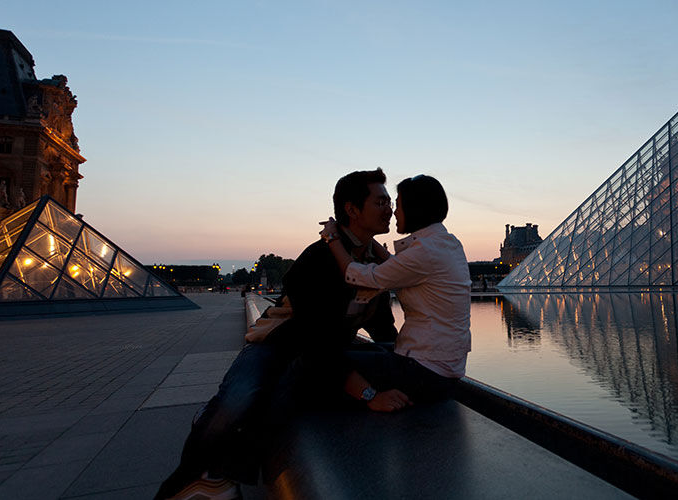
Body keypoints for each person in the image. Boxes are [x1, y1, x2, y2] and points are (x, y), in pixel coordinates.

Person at [155, 169, 398, 500]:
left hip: (315, 352)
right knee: (239, 398)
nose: (390, 208)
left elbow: (382, 328)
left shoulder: (371, 262)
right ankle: (182, 483)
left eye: (391, 201)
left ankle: (215, 461)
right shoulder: (317, 258)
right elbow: (315, 340)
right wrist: (369, 394)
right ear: (352, 210)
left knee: (250, 402)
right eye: (381, 201)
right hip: (277, 345)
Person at [318, 174, 471, 413]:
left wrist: (331, 237)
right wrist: (370, 244)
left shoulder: (425, 251)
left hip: (423, 372)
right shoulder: (446, 243)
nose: (393, 212)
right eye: (385, 204)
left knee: (323, 360)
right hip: (443, 369)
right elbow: (397, 268)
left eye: (396, 205)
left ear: (414, 209)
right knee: (361, 352)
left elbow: (362, 275)